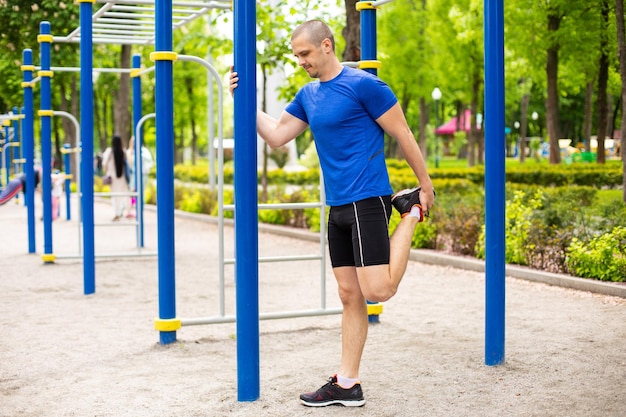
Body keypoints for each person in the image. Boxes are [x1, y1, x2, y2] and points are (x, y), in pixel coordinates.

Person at [230, 19, 436, 407]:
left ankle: (409, 214)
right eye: (296, 56)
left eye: (305, 53)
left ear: (326, 46)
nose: (301, 61)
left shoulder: (365, 86)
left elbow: (403, 133)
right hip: (337, 206)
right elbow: (276, 137)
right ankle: (347, 383)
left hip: (367, 198)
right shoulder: (308, 95)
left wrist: (423, 186)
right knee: (348, 295)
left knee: (378, 290)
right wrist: (244, 103)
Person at [102, 135, 130, 221]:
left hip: (112, 177)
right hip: (122, 177)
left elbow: (104, 164)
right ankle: (125, 211)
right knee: (124, 194)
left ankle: (117, 212)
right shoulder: (123, 152)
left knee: (115, 196)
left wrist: (106, 171)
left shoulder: (109, 152)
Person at [125, 136, 154, 218]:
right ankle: (131, 209)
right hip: (134, 175)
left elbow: (150, 162)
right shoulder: (130, 152)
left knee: (141, 193)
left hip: (143, 174)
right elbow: (129, 164)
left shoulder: (144, 151)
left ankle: (140, 210)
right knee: (132, 193)